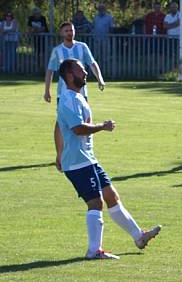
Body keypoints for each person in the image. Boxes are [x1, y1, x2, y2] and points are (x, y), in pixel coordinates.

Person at [56, 58, 160, 259]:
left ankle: (139, 237)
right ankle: (94, 251)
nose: (85, 72)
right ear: (69, 75)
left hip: (88, 159)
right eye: (81, 70)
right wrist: (102, 127)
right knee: (96, 203)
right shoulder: (68, 100)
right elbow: (77, 129)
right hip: (78, 162)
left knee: (111, 196)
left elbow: (58, 126)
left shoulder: (77, 97)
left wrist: (58, 152)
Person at [45, 22, 106, 167]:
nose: (69, 33)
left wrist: (100, 79)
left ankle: (85, 150)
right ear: (61, 33)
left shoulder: (82, 47)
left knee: (85, 119)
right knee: (61, 123)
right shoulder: (57, 51)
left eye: (71, 30)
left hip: (81, 93)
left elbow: (92, 63)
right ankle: (60, 152)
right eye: (66, 31)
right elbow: (50, 70)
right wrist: (47, 90)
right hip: (63, 94)